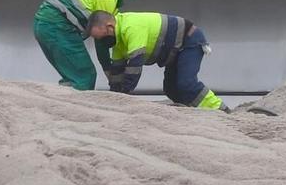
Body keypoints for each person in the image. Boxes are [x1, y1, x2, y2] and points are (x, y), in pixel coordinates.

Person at [88, 10, 227, 111]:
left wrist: (122, 98)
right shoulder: (118, 43)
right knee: (171, 89)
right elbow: (117, 72)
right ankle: (192, 112)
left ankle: (221, 110)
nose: (102, 43)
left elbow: (135, 68)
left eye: (102, 37)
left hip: (189, 40)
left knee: (187, 84)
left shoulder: (131, 28)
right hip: (174, 51)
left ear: (110, 26)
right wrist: (113, 98)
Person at [33, 0, 141, 91]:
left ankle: (58, 103)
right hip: (58, 27)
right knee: (84, 77)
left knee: (73, 77)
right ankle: (67, 109)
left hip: (45, 24)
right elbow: (101, 37)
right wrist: (108, 70)